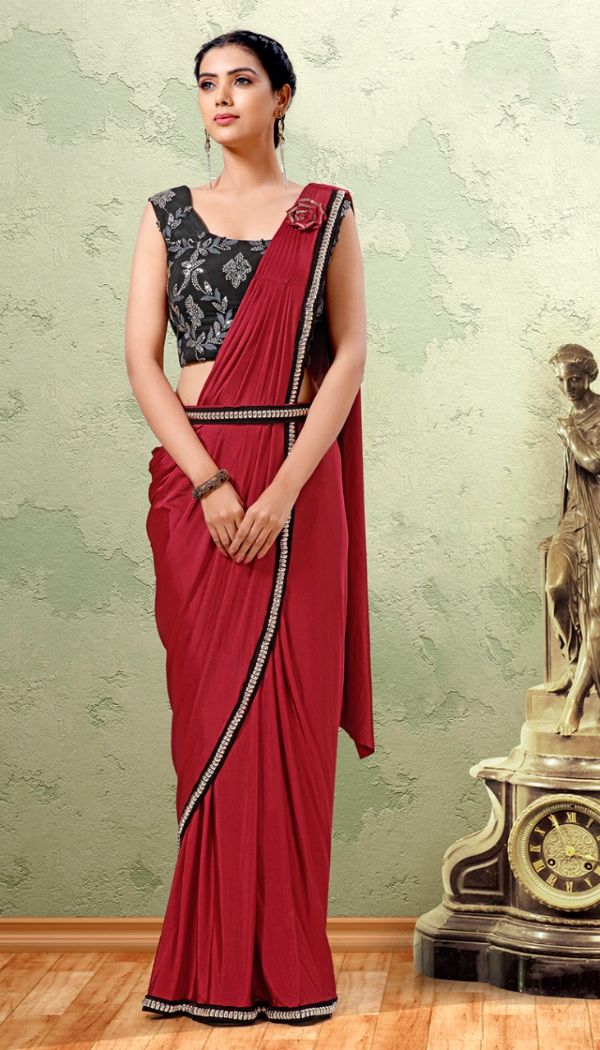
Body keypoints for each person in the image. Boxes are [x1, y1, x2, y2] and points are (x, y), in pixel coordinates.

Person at [124, 28, 375, 1028]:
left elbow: (348, 355)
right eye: (206, 84)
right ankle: (207, 963)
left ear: (282, 96)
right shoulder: (165, 215)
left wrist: (281, 495)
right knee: (210, 722)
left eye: (241, 81)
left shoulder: (326, 214)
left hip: (300, 487)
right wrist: (213, 484)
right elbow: (143, 361)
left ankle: (289, 967)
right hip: (197, 488)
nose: (221, 98)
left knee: (293, 729)